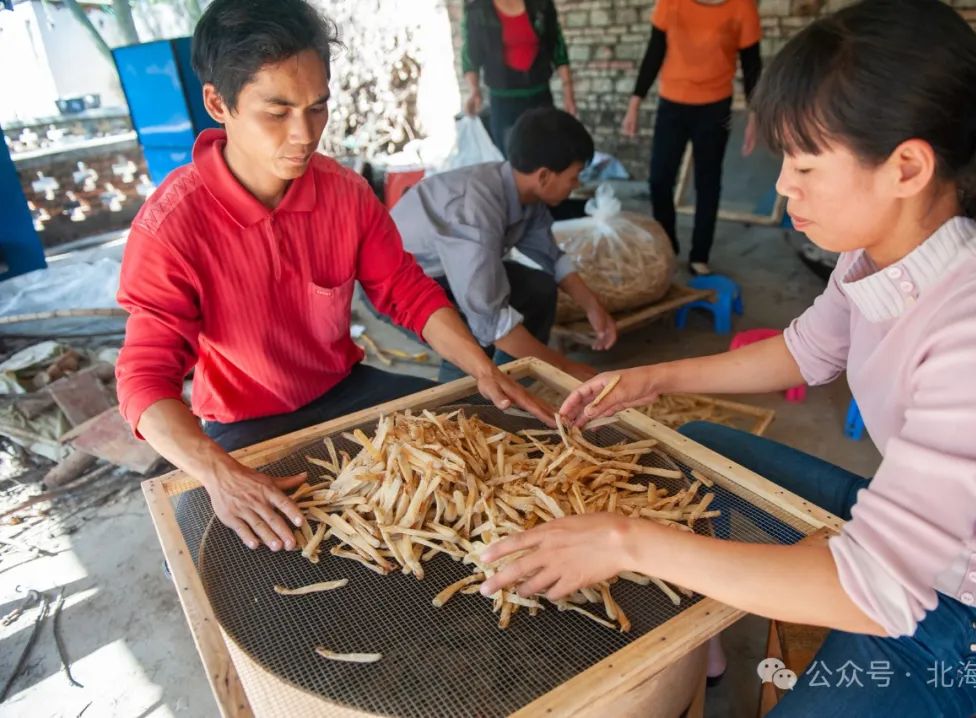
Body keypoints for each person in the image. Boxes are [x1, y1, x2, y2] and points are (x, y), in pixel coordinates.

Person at [480, 1, 976, 714]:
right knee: (695, 449)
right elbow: (809, 351)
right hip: (915, 535)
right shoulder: (878, 249)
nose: (782, 187)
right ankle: (697, 642)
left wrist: (626, 541)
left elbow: (880, 588)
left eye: (805, 162)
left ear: (907, 166)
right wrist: (654, 377)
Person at [115, 0, 551, 555]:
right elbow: (141, 381)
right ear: (218, 103)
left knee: (476, 449)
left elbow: (406, 291)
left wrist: (480, 367)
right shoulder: (171, 227)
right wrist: (218, 473)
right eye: (277, 112)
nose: (305, 134)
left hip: (347, 390)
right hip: (247, 423)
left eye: (317, 108)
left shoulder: (344, 193)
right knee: (266, 546)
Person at [392, 107, 616, 383]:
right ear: (544, 175)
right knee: (472, 339)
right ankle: (459, 409)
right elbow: (490, 320)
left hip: (453, 270)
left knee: (539, 289)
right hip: (403, 284)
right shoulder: (474, 213)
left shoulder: (525, 193)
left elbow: (551, 256)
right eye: (574, 176)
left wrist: (593, 306)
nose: (576, 184)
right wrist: (565, 368)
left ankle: (519, 385)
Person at [622, 0, 762, 276]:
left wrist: (754, 117)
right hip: (671, 105)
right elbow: (655, 51)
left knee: (707, 184)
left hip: (715, 107)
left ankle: (700, 254)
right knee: (659, 179)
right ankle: (668, 244)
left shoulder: (741, 8)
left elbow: (752, 66)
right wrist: (635, 102)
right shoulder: (670, 3)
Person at [462, 0, 577, 155]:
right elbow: (470, 55)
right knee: (513, 160)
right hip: (504, 103)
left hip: (540, 98)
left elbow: (557, 45)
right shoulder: (479, 10)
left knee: (547, 155)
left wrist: (568, 90)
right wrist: (474, 90)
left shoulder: (541, 5)